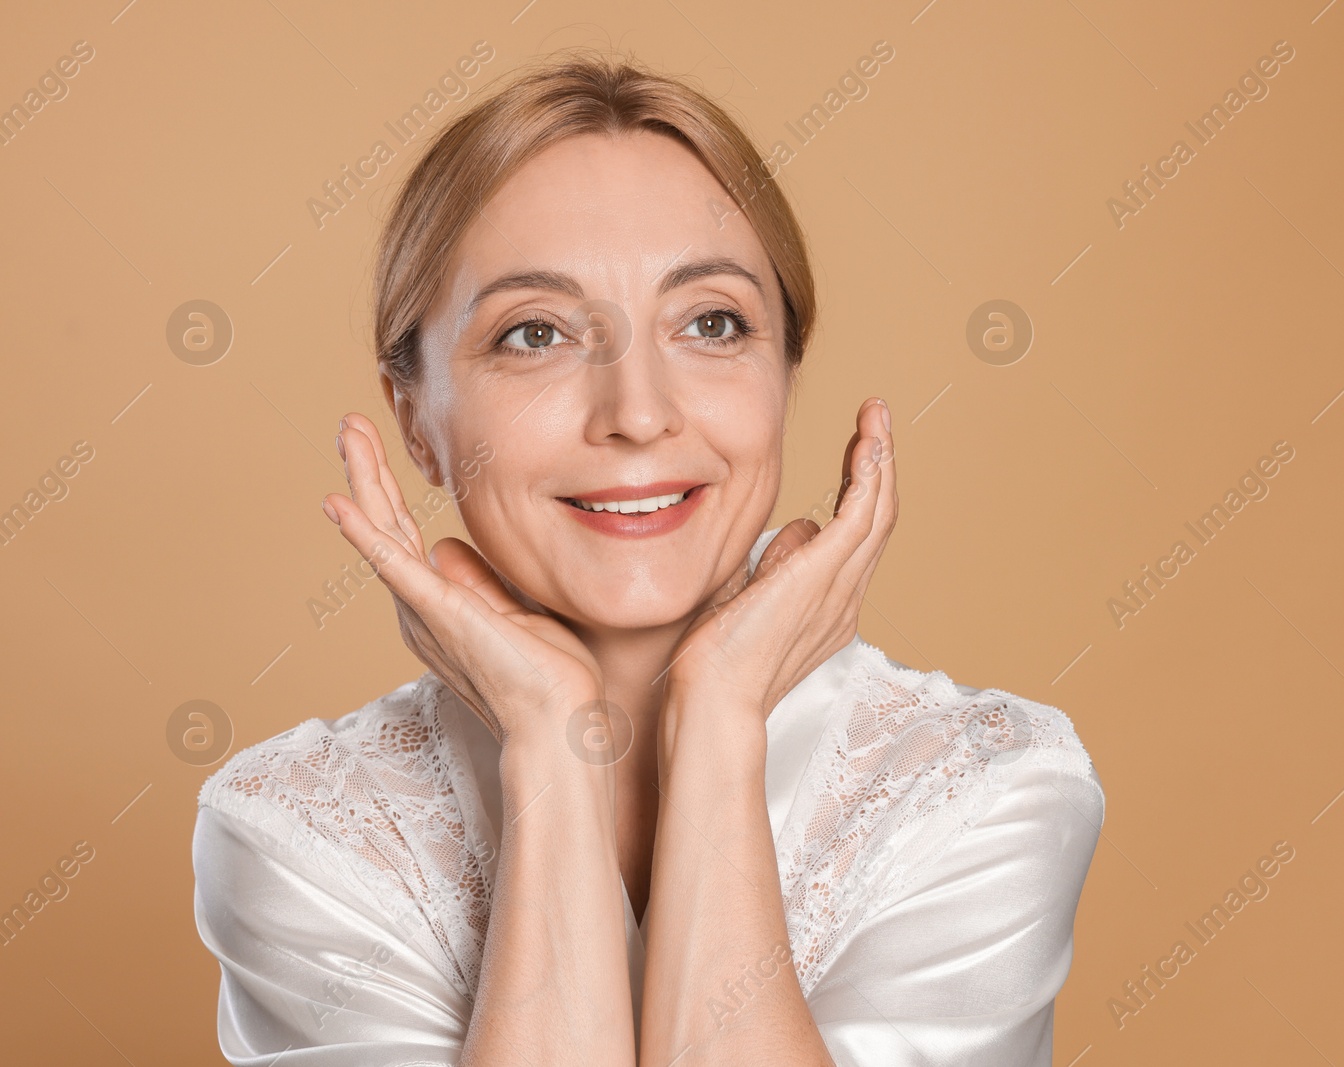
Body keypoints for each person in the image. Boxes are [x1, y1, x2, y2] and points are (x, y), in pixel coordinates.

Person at [191, 51, 1105, 1067]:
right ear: (416, 419)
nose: (637, 413)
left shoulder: (987, 789)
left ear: (783, 374)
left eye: (711, 323)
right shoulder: (299, 831)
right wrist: (548, 739)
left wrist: (716, 720)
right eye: (534, 333)